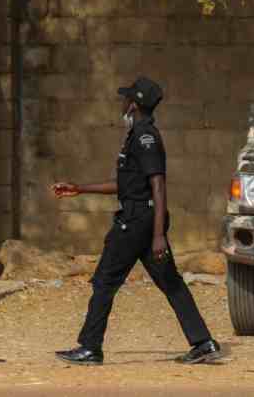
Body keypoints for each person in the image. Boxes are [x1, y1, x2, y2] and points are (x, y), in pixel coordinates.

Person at [51, 77, 222, 366]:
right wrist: (80, 188)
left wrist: (158, 235)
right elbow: (125, 184)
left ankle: (90, 347)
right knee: (171, 282)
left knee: (105, 280)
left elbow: (158, 185)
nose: (121, 102)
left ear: (132, 104)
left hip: (137, 222)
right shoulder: (137, 135)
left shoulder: (145, 138)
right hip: (143, 220)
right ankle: (203, 342)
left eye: (125, 98)